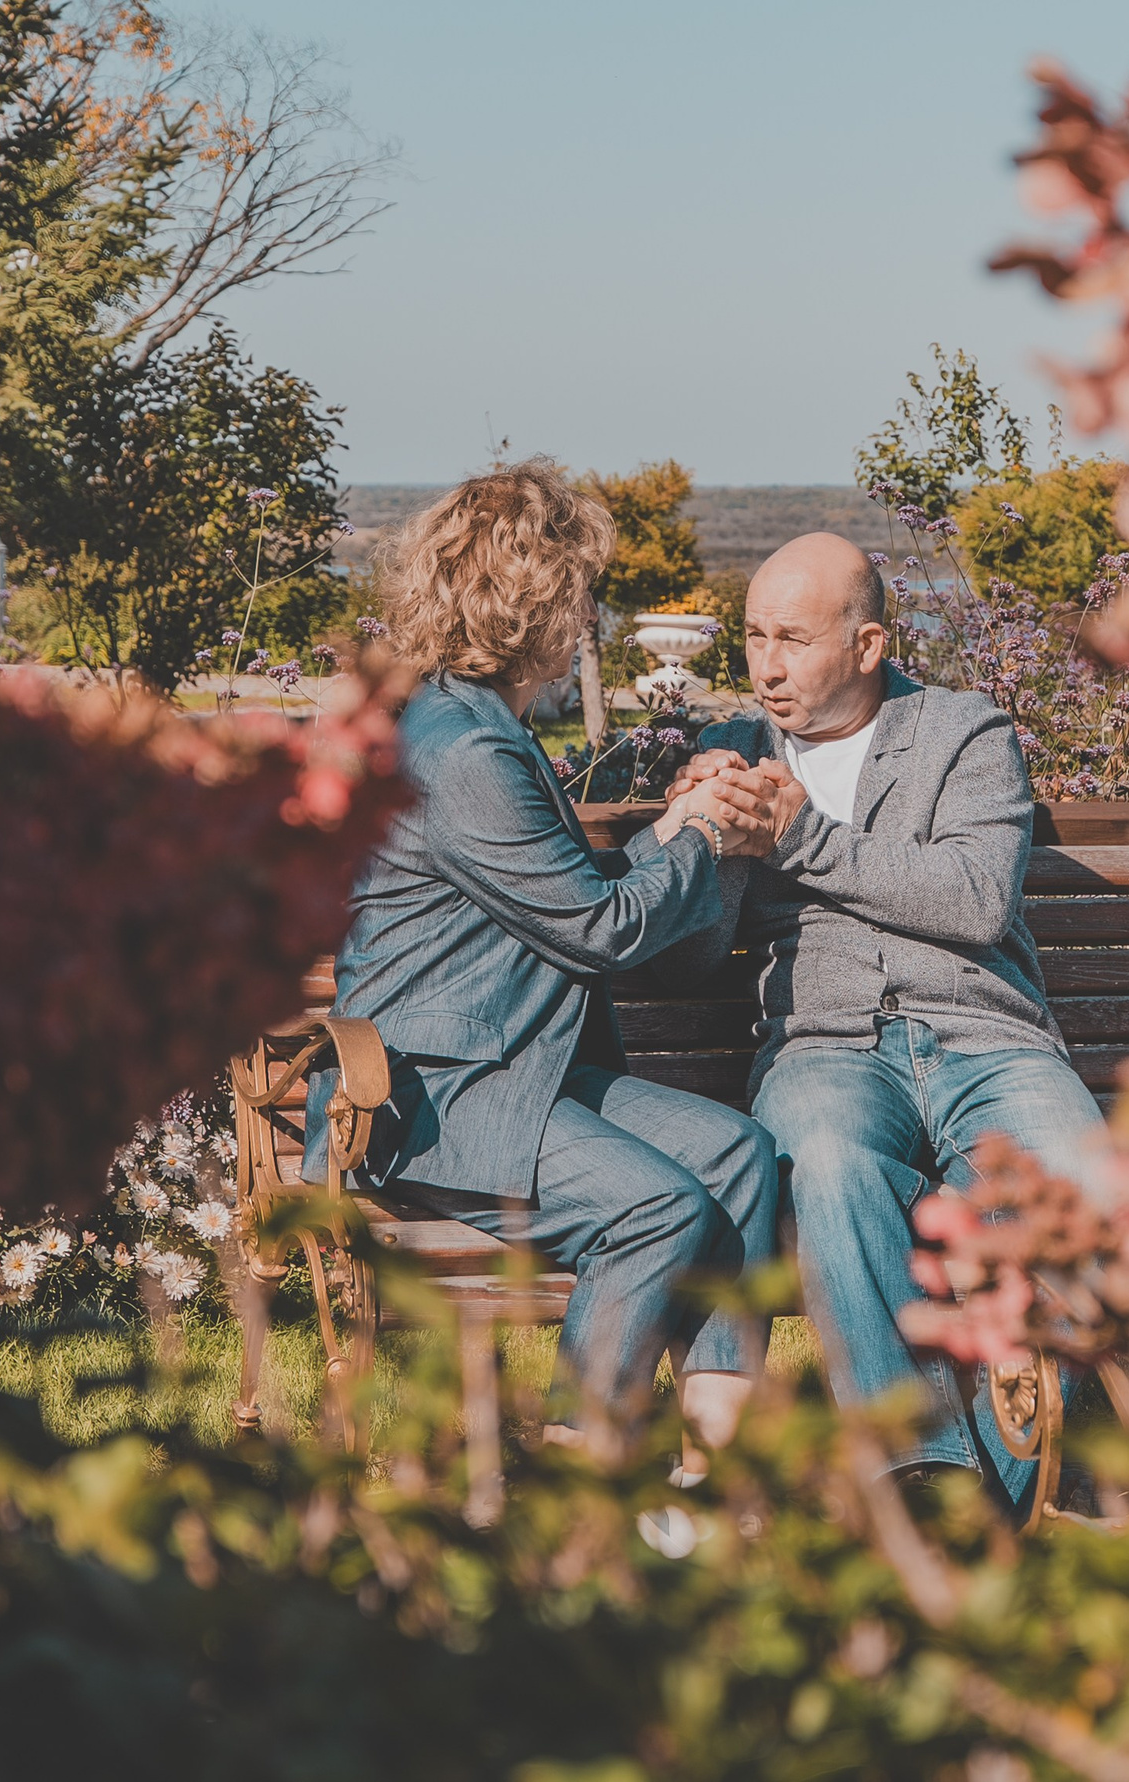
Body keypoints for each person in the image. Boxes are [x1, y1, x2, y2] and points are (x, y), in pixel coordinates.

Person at [306, 460, 796, 1461]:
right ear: (530, 599)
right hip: (430, 1096)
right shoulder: (470, 755)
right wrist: (697, 833)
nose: (590, 612)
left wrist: (682, 823)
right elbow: (599, 929)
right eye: (579, 590)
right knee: (653, 1207)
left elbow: (569, 901)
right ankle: (585, 1452)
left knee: (738, 1155)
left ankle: (714, 1465)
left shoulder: (481, 726)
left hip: (519, 1075)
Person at [652, 531, 1101, 1507]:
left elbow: (975, 899)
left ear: (865, 646)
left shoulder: (963, 734)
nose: (765, 665)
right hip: (828, 1050)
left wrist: (797, 838)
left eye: (794, 640)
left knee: (1079, 1182)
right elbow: (690, 954)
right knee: (828, 1165)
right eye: (753, 636)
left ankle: (1021, 1481)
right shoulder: (736, 751)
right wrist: (690, 845)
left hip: (988, 1041)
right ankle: (924, 1478)